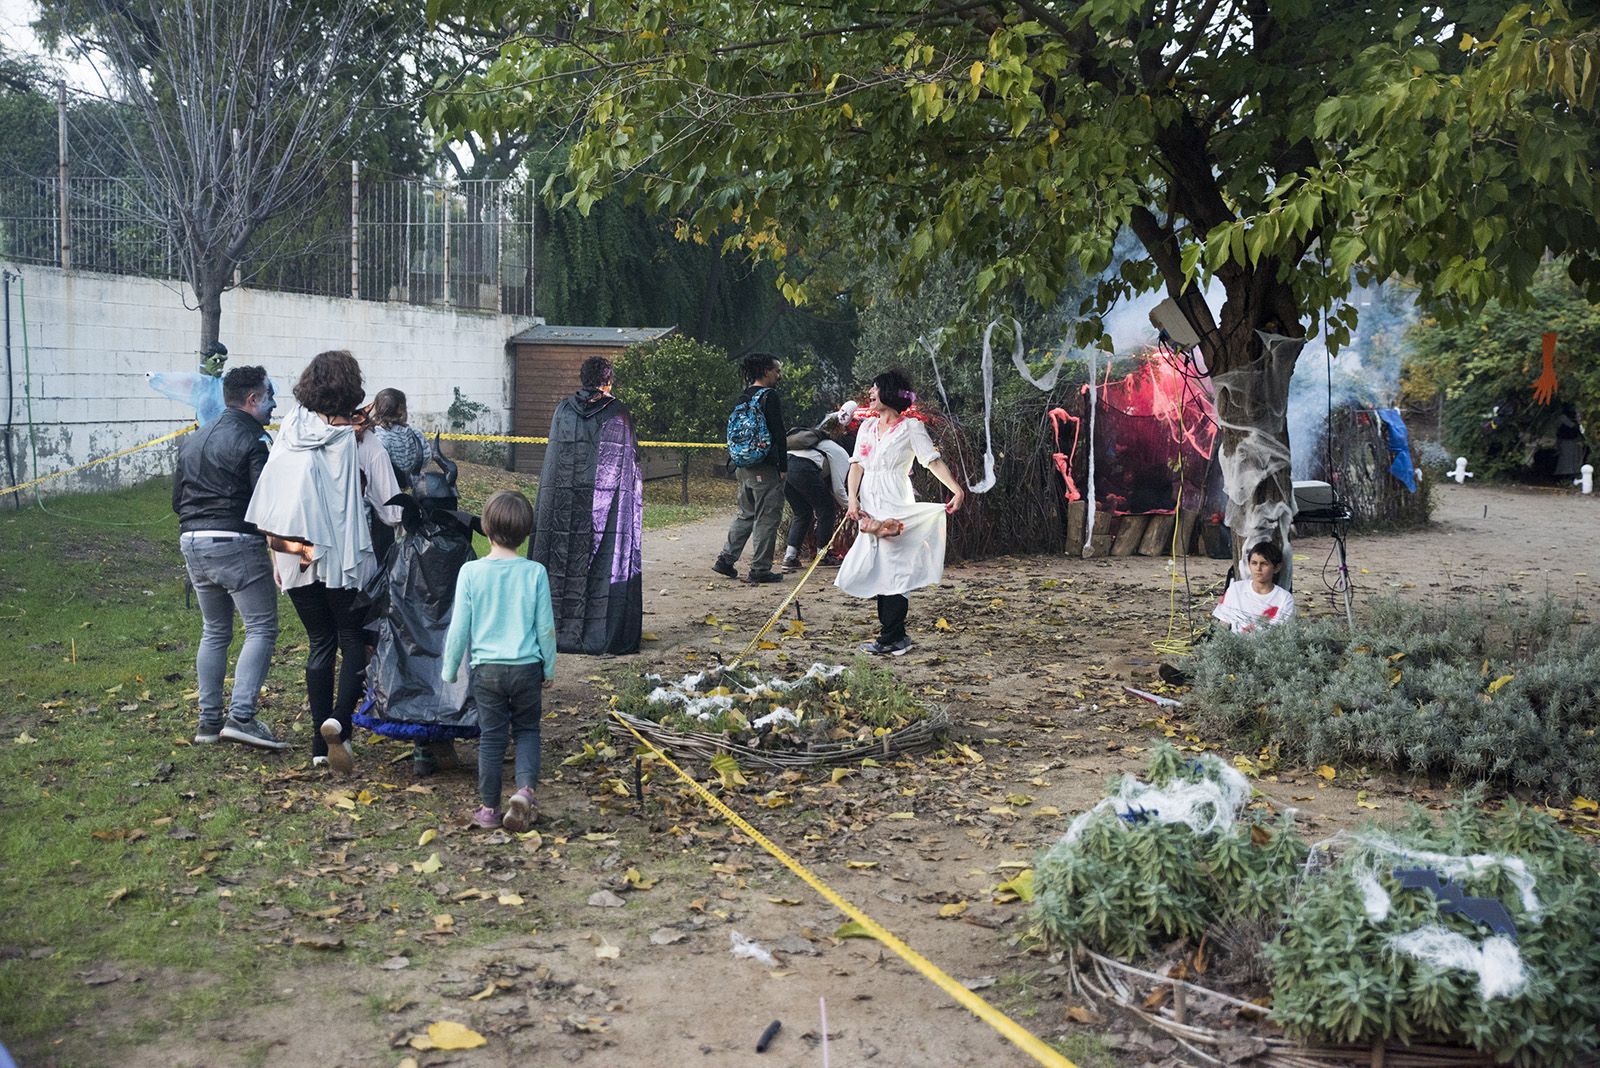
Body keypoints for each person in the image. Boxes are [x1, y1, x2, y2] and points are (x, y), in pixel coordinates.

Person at [245, 350, 402, 773]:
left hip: (296, 553)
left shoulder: (291, 430)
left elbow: (271, 495)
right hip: (344, 556)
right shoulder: (363, 440)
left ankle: (318, 745)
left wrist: (279, 553)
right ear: (352, 387)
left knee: (319, 642)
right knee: (353, 641)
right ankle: (340, 725)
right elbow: (391, 511)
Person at [171, 364, 288, 750]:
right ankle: (241, 716)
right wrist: (289, 549)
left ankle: (208, 722)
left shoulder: (194, 438)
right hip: (234, 540)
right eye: (270, 397)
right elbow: (266, 500)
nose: (274, 406)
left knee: (215, 630)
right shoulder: (255, 440)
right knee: (260, 628)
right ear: (253, 400)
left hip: (192, 541)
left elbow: (177, 501)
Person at [442, 491, 557, 832]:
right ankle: (524, 791)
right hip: (526, 668)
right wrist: (548, 668)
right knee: (527, 730)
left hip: (487, 671)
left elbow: (459, 627)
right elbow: (545, 628)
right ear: (526, 533)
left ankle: (489, 809)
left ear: (486, 528)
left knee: (491, 738)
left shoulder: (471, 572)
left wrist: (449, 670)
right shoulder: (535, 573)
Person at [836, 369, 966, 656]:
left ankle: (893, 635)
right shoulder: (868, 428)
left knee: (894, 567)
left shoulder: (911, 428)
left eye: (875, 388)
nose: (870, 393)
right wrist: (853, 500)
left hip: (895, 500)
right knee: (881, 565)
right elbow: (857, 464)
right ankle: (892, 634)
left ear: (890, 393)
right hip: (871, 501)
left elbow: (931, 461)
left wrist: (956, 489)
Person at [530, 356, 644, 655]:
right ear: (609, 381)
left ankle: (556, 632)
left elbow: (554, 464)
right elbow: (629, 465)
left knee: (563, 563)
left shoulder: (563, 410)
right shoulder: (618, 413)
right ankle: (600, 632)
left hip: (564, 504)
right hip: (601, 507)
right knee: (601, 564)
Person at [713, 352, 788, 583]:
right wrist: (782, 465)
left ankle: (725, 560)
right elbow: (778, 433)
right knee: (767, 517)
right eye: (776, 370)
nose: (779, 375)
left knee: (745, 513)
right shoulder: (770, 396)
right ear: (766, 372)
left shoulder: (743, 396)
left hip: (742, 464)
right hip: (764, 467)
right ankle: (760, 569)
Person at [780, 405, 854, 573]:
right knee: (827, 508)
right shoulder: (841, 453)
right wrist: (852, 508)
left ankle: (790, 557)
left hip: (785, 468)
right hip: (803, 469)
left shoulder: (818, 441)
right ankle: (823, 554)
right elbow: (838, 490)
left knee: (802, 512)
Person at [368, 387, 428, 563]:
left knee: (382, 553)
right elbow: (426, 457)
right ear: (401, 408)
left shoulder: (376, 436)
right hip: (409, 498)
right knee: (404, 554)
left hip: (381, 501)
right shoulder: (415, 434)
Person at [1212, 541, 1296, 634]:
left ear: (1277, 568)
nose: (1258, 568)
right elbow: (1223, 624)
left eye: (1264, 564)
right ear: (1249, 565)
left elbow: (1281, 634)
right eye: (1254, 563)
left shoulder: (1284, 598)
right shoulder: (1235, 589)